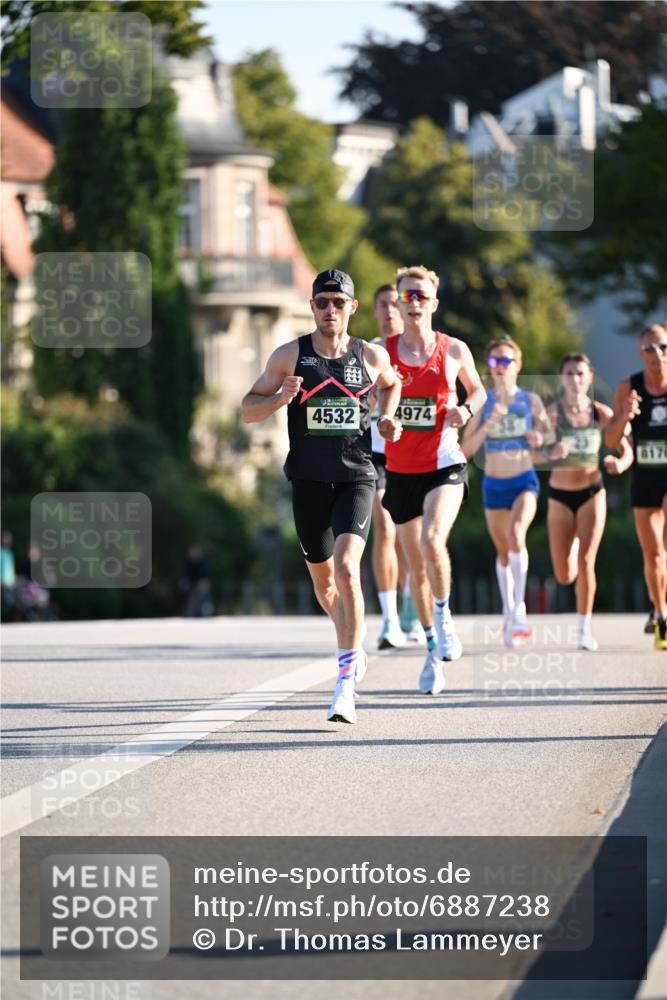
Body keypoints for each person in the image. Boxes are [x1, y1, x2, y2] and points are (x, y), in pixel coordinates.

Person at [241, 268, 402, 722]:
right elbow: (248, 409)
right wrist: (279, 399)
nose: (330, 309)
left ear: (352, 307)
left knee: (349, 571)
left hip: (356, 476)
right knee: (325, 585)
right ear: (312, 307)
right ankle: (354, 642)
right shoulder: (291, 355)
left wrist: (389, 419)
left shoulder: (369, 356)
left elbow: (393, 384)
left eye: (338, 302)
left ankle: (345, 682)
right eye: (321, 302)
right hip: (308, 481)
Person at [382, 265, 486, 694]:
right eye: (407, 296)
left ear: (434, 303)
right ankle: (431, 650)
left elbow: (478, 390)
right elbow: (366, 396)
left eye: (421, 296)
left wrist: (467, 410)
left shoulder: (455, 349)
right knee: (415, 573)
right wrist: (384, 419)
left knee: (431, 543)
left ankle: (444, 618)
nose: (414, 303)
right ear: (398, 303)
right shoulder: (380, 351)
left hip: (445, 463)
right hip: (400, 470)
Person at [462, 337, 553, 646]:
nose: (500, 367)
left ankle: (518, 612)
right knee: (503, 553)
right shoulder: (482, 402)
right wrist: (491, 421)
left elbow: (548, 438)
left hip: (524, 480)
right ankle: (508, 609)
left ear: (518, 365)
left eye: (506, 361)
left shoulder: (531, 401)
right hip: (493, 484)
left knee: (517, 536)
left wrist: (538, 437)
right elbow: (466, 449)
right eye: (494, 362)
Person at [544, 353, 632, 651]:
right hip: (559, 495)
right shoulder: (552, 413)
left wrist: (620, 464)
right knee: (564, 573)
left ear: (590, 377)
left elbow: (626, 449)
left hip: (592, 492)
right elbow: (533, 446)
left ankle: (583, 628)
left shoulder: (601, 413)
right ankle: (574, 544)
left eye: (580, 373)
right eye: (569, 374)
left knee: (586, 562)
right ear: (562, 378)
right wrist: (550, 450)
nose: (575, 379)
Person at [605, 322, 667, 649]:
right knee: (654, 555)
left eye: (663, 347)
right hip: (644, 479)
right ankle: (660, 614)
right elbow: (612, 439)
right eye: (649, 349)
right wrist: (626, 416)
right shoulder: (628, 386)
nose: (657, 354)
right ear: (640, 353)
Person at [368, 283, 423, 648]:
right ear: (373, 311)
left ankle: (410, 605)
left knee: (411, 538)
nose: (390, 311)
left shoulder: (417, 350)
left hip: (415, 455)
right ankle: (388, 620)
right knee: (385, 531)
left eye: (395, 304)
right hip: (375, 453)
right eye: (383, 305)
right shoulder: (369, 352)